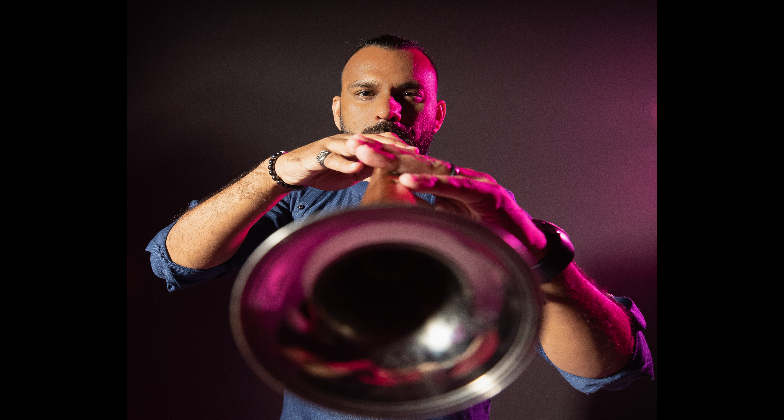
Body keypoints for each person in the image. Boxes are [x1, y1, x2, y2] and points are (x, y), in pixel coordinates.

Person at [147, 35, 653, 420]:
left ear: (436, 115)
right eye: (365, 92)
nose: (388, 110)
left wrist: (538, 250)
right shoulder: (298, 201)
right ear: (339, 110)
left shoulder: (479, 211)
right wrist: (274, 174)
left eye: (409, 95)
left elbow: (608, 369)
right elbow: (171, 262)